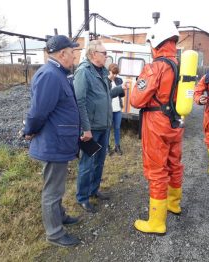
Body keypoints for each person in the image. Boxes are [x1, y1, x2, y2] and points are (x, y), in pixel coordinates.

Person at [23, 35, 81, 247]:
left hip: (59, 142)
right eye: (72, 51)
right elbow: (38, 112)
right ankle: (55, 233)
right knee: (53, 190)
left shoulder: (57, 73)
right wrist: (28, 131)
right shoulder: (50, 75)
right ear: (62, 53)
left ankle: (60, 216)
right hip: (53, 143)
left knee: (57, 186)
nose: (74, 55)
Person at [130, 20, 184, 235]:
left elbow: (136, 99)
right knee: (174, 164)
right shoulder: (179, 65)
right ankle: (173, 203)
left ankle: (156, 222)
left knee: (156, 171)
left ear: (156, 42)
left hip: (157, 125)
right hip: (175, 123)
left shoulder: (155, 67)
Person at [73, 40, 128, 213]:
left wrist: (118, 89)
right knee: (87, 163)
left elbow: (103, 96)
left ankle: (94, 190)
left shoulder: (103, 72)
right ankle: (82, 197)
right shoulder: (83, 72)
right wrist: (85, 128)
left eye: (106, 53)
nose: (106, 55)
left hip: (104, 125)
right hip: (91, 128)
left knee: (100, 161)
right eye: (103, 53)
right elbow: (79, 102)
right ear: (92, 54)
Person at [106, 63, 125, 156]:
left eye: (116, 73)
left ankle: (117, 146)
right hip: (108, 109)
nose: (115, 75)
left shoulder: (119, 80)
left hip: (118, 109)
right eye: (113, 73)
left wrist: (122, 89)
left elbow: (122, 95)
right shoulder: (105, 80)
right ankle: (107, 147)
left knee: (117, 128)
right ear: (109, 71)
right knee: (108, 129)